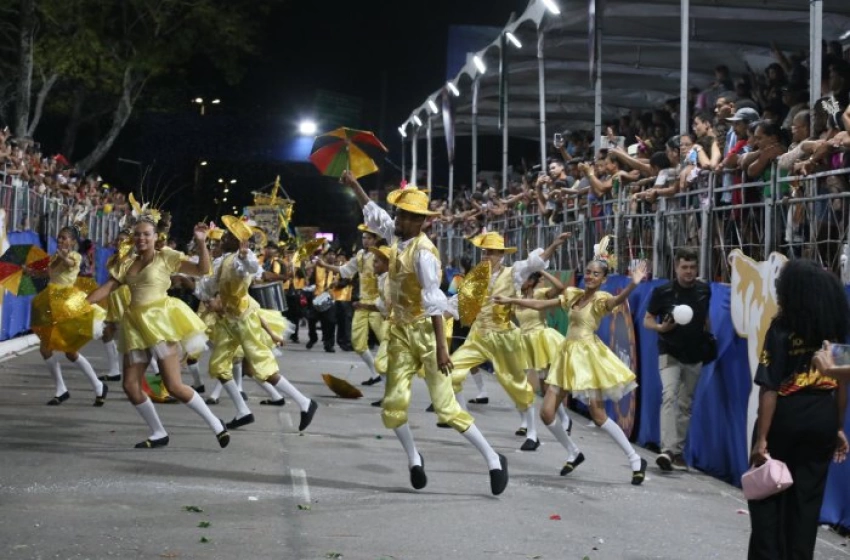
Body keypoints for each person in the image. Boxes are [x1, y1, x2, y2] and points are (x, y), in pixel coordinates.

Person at [343, 170, 508, 495]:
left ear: (420, 221)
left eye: (406, 215)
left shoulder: (423, 253)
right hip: (401, 333)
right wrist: (355, 185)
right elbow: (376, 217)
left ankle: (493, 459)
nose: (399, 218)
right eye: (400, 213)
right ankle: (414, 459)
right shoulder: (397, 238)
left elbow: (434, 304)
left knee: (446, 406)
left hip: (426, 333)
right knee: (393, 403)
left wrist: (443, 348)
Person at [496, 259, 649, 484]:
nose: (590, 276)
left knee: (598, 415)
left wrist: (633, 284)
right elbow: (540, 305)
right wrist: (510, 299)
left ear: (603, 279)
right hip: (566, 356)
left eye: (596, 274)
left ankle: (635, 458)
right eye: (587, 272)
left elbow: (617, 300)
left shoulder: (600, 299)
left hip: (587, 358)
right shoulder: (574, 295)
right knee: (546, 413)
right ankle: (573, 452)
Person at [86, 210, 228, 449]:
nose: (142, 238)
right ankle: (158, 432)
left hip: (160, 323)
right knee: (130, 385)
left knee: (173, 386)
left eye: (147, 234)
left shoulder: (166, 257)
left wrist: (202, 242)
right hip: (135, 326)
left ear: (155, 236)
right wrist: (81, 303)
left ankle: (216, 424)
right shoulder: (127, 262)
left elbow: (203, 270)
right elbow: (108, 287)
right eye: (138, 234)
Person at [749, 259, 849, 560]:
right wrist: (838, 426)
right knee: (807, 501)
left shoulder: (781, 328)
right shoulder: (834, 327)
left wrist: (762, 439)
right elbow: (842, 382)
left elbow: (770, 387)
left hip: (785, 416)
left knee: (768, 494)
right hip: (823, 416)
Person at [449, 231, 571, 451]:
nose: (486, 255)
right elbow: (458, 302)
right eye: (485, 251)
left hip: (504, 337)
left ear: (501, 255)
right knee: (451, 371)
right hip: (479, 335)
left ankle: (532, 433)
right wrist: (431, 315)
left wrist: (553, 244)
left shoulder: (512, 272)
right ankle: (464, 419)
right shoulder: (477, 276)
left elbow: (535, 263)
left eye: (492, 252)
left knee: (516, 386)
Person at [201, 216, 318, 432]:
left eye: (227, 236)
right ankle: (243, 411)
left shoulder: (240, 260)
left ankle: (304, 402)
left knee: (262, 368)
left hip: (245, 319)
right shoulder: (222, 261)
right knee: (219, 366)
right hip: (229, 321)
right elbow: (207, 286)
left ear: (239, 242)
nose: (222, 239)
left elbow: (252, 267)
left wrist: (246, 256)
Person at [644, 247, 712, 472]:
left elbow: (705, 319)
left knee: (685, 404)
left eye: (693, 267)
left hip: (695, 354)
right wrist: (661, 327)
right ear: (676, 268)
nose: (689, 272)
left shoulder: (704, 290)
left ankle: (678, 452)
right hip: (669, 352)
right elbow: (647, 320)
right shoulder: (663, 291)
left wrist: (708, 339)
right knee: (669, 396)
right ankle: (667, 450)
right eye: (684, 267)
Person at [28, 225, 108, 406]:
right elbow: (48, 272)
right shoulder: (56, 257)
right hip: (50, 303)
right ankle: (61, 389)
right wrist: (31, 271)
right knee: (46, 349)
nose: (62, 241)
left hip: (67, 305)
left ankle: (98, 385)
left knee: (70, 352)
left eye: (65, 238)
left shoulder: (75, 256)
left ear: (73, 241)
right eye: (59, 238)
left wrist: (63, 256)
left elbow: (70, 264)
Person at [316, 225, 386, 384]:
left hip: (378, 304)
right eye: (364, 238)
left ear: (376, 239)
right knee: (357, 343)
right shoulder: (360, 255)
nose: (365, 241)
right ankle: (375, 374)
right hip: (362, 303)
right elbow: (345, 270)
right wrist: (325, 265)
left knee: (385, 340)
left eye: (369, 238)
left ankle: (389, 377)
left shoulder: (381, 255)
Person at [514, 270, 572, 435]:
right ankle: (527, 424)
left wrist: (543, 272)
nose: (519, 281)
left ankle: (560, 420)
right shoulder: (516, 295)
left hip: (541, 341)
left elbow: (560, 287)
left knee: (544, 387)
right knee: (528, 386)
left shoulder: (540, 294)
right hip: (525, 342)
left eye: (523, 278)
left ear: (531, 281)